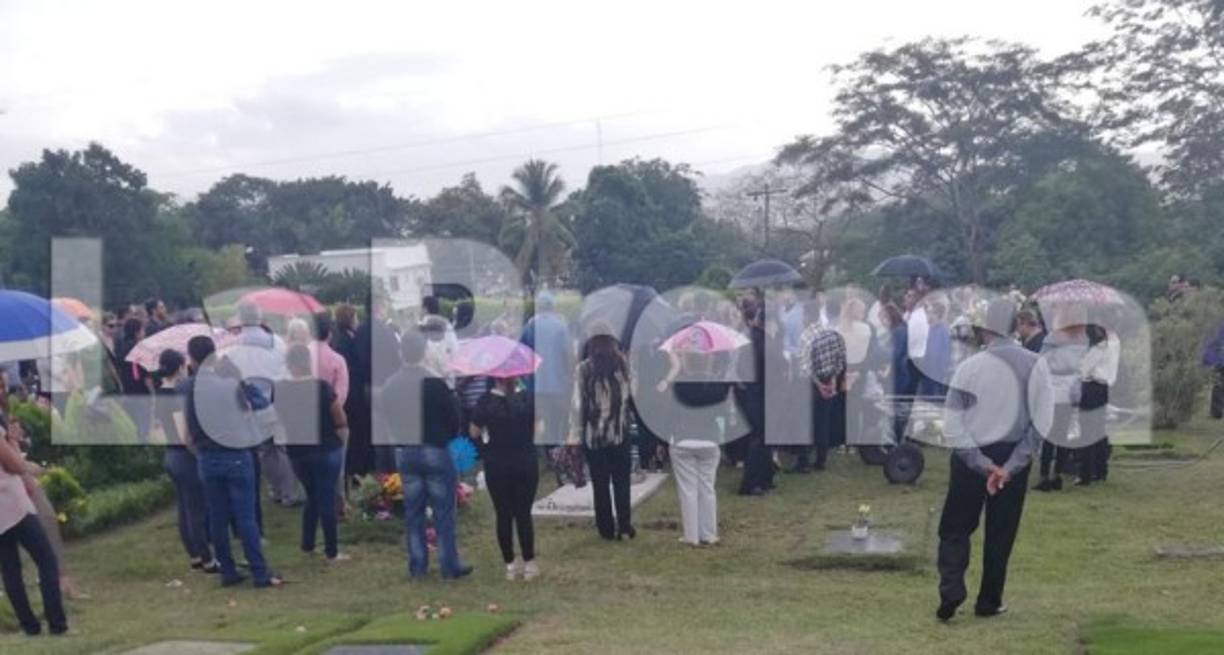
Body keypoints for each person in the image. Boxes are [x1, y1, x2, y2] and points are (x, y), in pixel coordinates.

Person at [936, 300, 1052, 622]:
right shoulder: (1035, 365)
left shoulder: (968, 368)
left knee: (955, 527)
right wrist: (1010, 466)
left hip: (971, 453)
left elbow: (953, 424)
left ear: (985, 329)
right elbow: (1042, 422)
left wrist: (979, 462)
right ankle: (989, 600)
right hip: (1012, 452)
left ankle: (951, 589)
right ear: (1016, 326)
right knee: (1001, 531)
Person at [183, 336, 283, 588]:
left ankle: (227, 570)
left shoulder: (190, 389)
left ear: (192, 360)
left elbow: (187, 435)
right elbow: (261, 404)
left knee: (217, 517)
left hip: (207, 457)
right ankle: (260, 572)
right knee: (245, 517)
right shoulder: (230, 385)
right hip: (236, 454)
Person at [382, 331, 473, 580]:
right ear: (424, 352)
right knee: (444, 511)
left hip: (406, 449)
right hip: (435, 447)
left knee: (413, 512)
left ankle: (418, 564)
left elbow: (387, 416)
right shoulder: (435, 383)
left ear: (402, 353)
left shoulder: (391, 384)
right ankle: (448, 564)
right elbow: (453, 419)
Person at [0, 408, 68, 636]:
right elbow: (15, 466)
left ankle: (29, 626)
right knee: (46, 559)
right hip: (11, 503)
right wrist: (13, 444)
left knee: (10, 569)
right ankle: (57, 623)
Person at [279, 345, 350, 561]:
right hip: (326, 448)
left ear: (289, 365)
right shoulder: (322, 388)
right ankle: (331, 550)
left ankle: (307, 542)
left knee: (313, 496)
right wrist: (341, 438)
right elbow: (339, 417)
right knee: (327, 497)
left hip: (297, 452)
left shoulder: (280, 389)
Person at [470, 370, 541, 581]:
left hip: (497, 464)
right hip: (525, 462)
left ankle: (510, 564)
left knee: (503, 514)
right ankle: (529, 563)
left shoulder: (486, 402)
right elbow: (540, 427)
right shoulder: (527, 398)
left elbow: (473, 432)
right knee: (523, 513)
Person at [227, 301, 299, 507]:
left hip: (251, 403)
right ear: (259, 318)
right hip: (278, 399)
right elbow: (287, 367)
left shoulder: (233, 345)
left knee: (265, 450)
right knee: (282, 448)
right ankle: (289, 493)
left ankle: (275, 490)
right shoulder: (276, 341)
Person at [154, 349, 217, 573]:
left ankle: (194, 555)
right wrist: (198, 453)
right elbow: (185, 433)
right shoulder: (175, 395)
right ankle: (207, 557)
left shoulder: (159, 393)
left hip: (170, 454)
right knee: (196, 511)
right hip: (184, 455)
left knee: (184, 509)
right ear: (180, 367)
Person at [664, 343, 729, 547]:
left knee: (688, 490)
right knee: (707, 488)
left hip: (683, 440)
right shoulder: (717, 385)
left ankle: (691, 535)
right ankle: (709, 533)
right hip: (709, 440)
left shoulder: (678, 385)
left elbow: (670, 414)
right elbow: (723, 413)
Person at [576, 334, 635, 540]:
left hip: (594, 435)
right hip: (619, 431)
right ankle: (625, 526)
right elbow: (631, 395)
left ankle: (606, 528)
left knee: (600, 484)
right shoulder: (623, 365)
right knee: (622, 481)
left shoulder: (584, 369)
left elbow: (579, 403)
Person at [521, 292, 573, 448]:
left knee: (538, 420)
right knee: (558, 420)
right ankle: (558, 453)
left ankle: (544, 452)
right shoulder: (561, 327)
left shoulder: (530, 327)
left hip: (535, 385)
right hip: (558, 384)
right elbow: (567, 355)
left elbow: (521, 354)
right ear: (552, 307)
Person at [796, 322, 848, 472]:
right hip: (829, 379)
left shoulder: (807, 336)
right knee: (823, 422)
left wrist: (818, 385)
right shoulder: (835, 334)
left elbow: (805, 367)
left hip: (812, 384)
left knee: (805, 423)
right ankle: (821, 460)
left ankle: (803, 462)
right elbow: (841, 360)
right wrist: (832, 380)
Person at [1076, 325, 1117, 485]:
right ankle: (1100, 469)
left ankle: (1085, 473)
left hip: (1091, 388)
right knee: (1099, 431)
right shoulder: (1111, 345)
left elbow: (1085, 369)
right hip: (1102, 389)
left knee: (1087, 431)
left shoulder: (1097, 349)